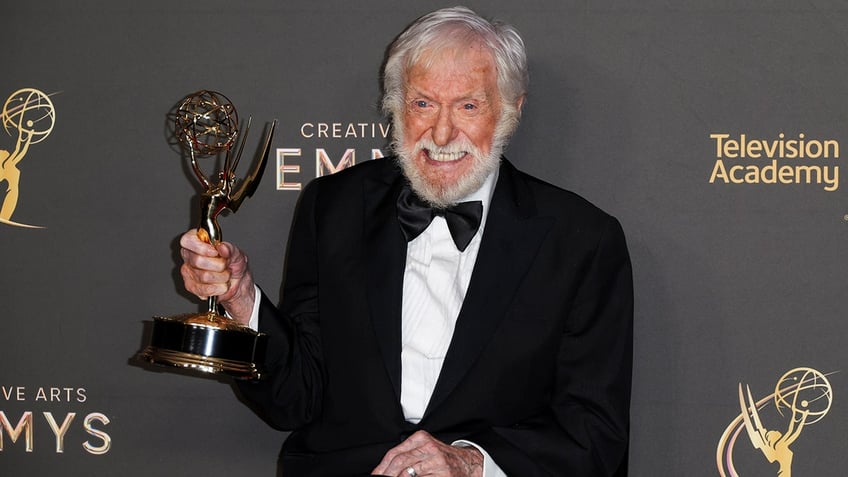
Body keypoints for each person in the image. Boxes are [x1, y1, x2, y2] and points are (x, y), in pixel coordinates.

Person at [179, 6, 633, 477]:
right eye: (423, 104)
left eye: (468, 105)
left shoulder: (581, 240)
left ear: (510, 111)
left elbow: (595, 433)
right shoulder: (333, 207)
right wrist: (241, 299)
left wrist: (474, 464)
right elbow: (295, 399)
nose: (441, 133)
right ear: (395, 106)